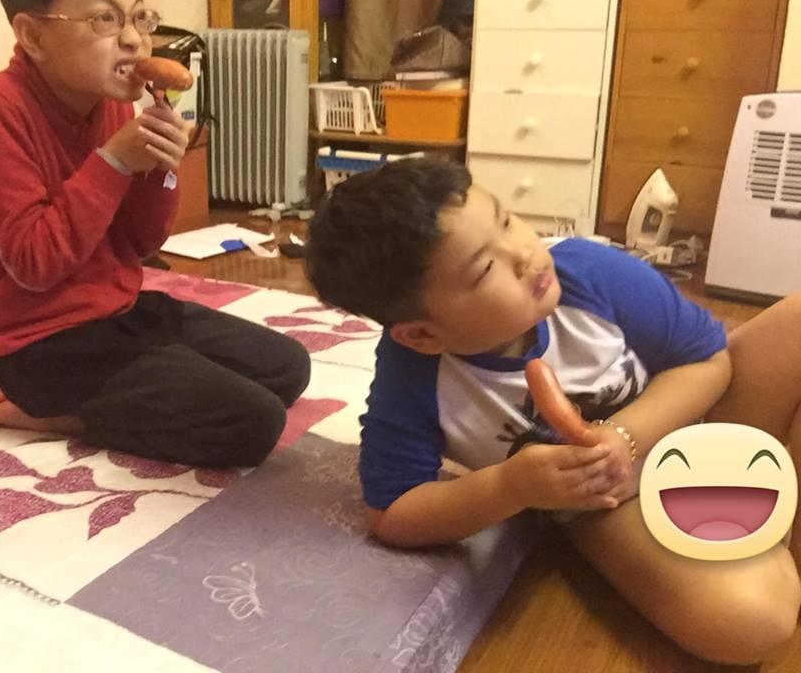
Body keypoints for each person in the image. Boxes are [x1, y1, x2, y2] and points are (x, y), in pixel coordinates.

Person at [305, 158, 801, 665]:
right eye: (485, 269)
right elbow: (393, 513)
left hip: (705, 416)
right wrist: (512, 487)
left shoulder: (591, 271)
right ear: (423, 335)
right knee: (753, 621)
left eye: (505, 221)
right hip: (616, 501)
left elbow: (708, 362)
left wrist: (625, 435)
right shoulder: (413, 377)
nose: (525, 254)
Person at [0, 0, 310, 468]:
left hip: (118, 313)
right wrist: (114, 162)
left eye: (139, 17)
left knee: (287, 367)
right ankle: (57, 416)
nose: (135, 40)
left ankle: (133, 391)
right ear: (33, 36)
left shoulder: (111, 101)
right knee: (252, 423)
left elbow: (140, 244)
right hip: (43, 348)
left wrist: (161, 168)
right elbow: (33, 263)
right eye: (105, 18)